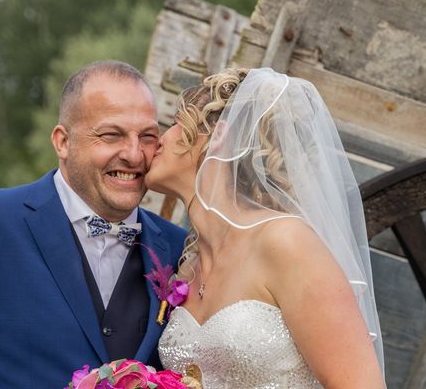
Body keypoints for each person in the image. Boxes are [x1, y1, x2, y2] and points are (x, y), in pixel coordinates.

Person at [0, 61, 187, 388]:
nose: (134, 154)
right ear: (62, 142)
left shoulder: (179, 248)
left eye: (147, 136)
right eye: (111, 135)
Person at [148, 67, 385, 388]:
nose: (158, 139)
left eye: (176, 123)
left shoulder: (286, 242)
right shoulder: (188, 268)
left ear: (217, 137)